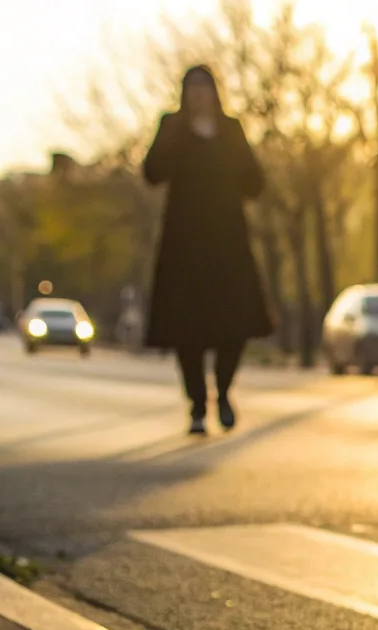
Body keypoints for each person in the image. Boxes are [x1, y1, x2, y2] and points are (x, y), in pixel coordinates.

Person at [143, 65, 274, 435]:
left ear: (216, 93)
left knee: (234, 327)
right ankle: (197, 405)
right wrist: (175, 137)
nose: (199, 96)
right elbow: (152, 173)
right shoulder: (171, 126)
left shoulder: (231, 129)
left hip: (227, 244)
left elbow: (254, 183)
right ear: (184, 94)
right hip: (184, 245)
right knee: (189, 333)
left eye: (205, 88)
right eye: (192, 89)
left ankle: (224, 391)